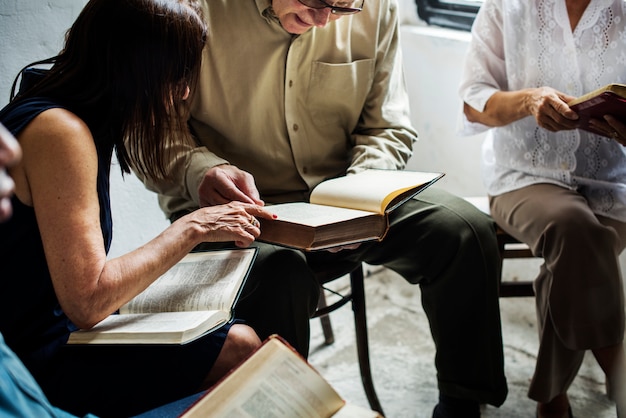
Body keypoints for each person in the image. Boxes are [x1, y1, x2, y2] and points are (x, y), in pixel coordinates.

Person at [136, 0, 509, 416]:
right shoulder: (194, 9)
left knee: (465, 231)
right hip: (232, 209)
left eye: (343, 7)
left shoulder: (376, 7)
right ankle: (286, 409)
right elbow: (149, 130)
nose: (323, 20)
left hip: (342, 191)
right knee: (278, 272)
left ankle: (462, 403)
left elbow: (387, 125)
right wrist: (202, 170)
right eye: (314, 2)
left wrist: (360, 192)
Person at [0, 0, 302, 416]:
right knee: (242, 347)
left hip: (44, 331)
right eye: (177, 75)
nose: (181, 93)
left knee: (232, 320)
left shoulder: (56, 107)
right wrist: (192, 227)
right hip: (33, 358)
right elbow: (86, 303)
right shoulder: (61, 131)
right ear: (138, 68)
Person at [458, 0, 626, 417]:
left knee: (575, 255)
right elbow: (473, 101)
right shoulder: (505, 6)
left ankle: (552, 396)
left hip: (613, 184)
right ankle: (618, 371)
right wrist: (530, 101)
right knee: (575, 230)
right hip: (524, 177)